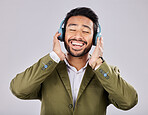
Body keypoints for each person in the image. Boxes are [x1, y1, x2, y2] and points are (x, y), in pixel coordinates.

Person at [10, 7, 138, 115]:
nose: (78, 36)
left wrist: (97, 64)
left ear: (95, 39)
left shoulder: (106, 73)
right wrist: (53, 57)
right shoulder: (48, 69)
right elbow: (18, 89)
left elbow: (128, 102)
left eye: (86, 31)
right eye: (72, 29)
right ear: (62, 34)